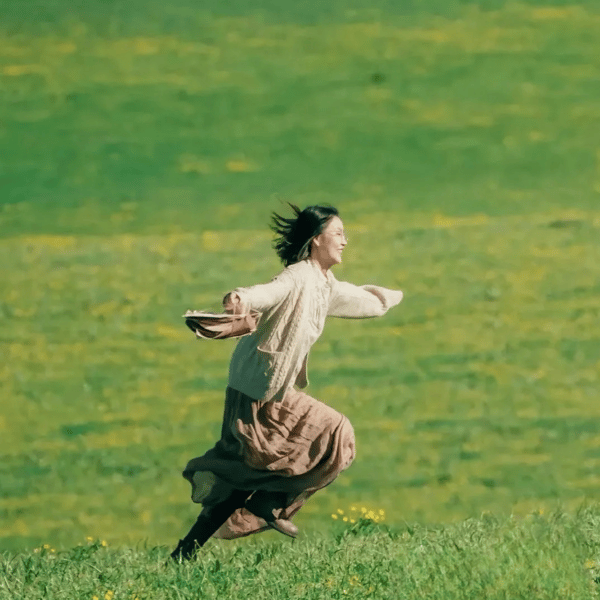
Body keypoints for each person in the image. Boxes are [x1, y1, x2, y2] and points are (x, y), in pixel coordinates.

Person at [171, 203, 403, 561]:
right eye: (338, 233)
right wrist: (240, 298)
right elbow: (268, 293)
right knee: (312, 442)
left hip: (275, 391)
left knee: (318, 443)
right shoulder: (298, 277)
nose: (345, 240)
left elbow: (360, 301)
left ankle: (210, 536)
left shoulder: (324, 284)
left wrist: (387, 299)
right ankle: (251, 505)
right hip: (255, 391)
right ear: (316, 240)